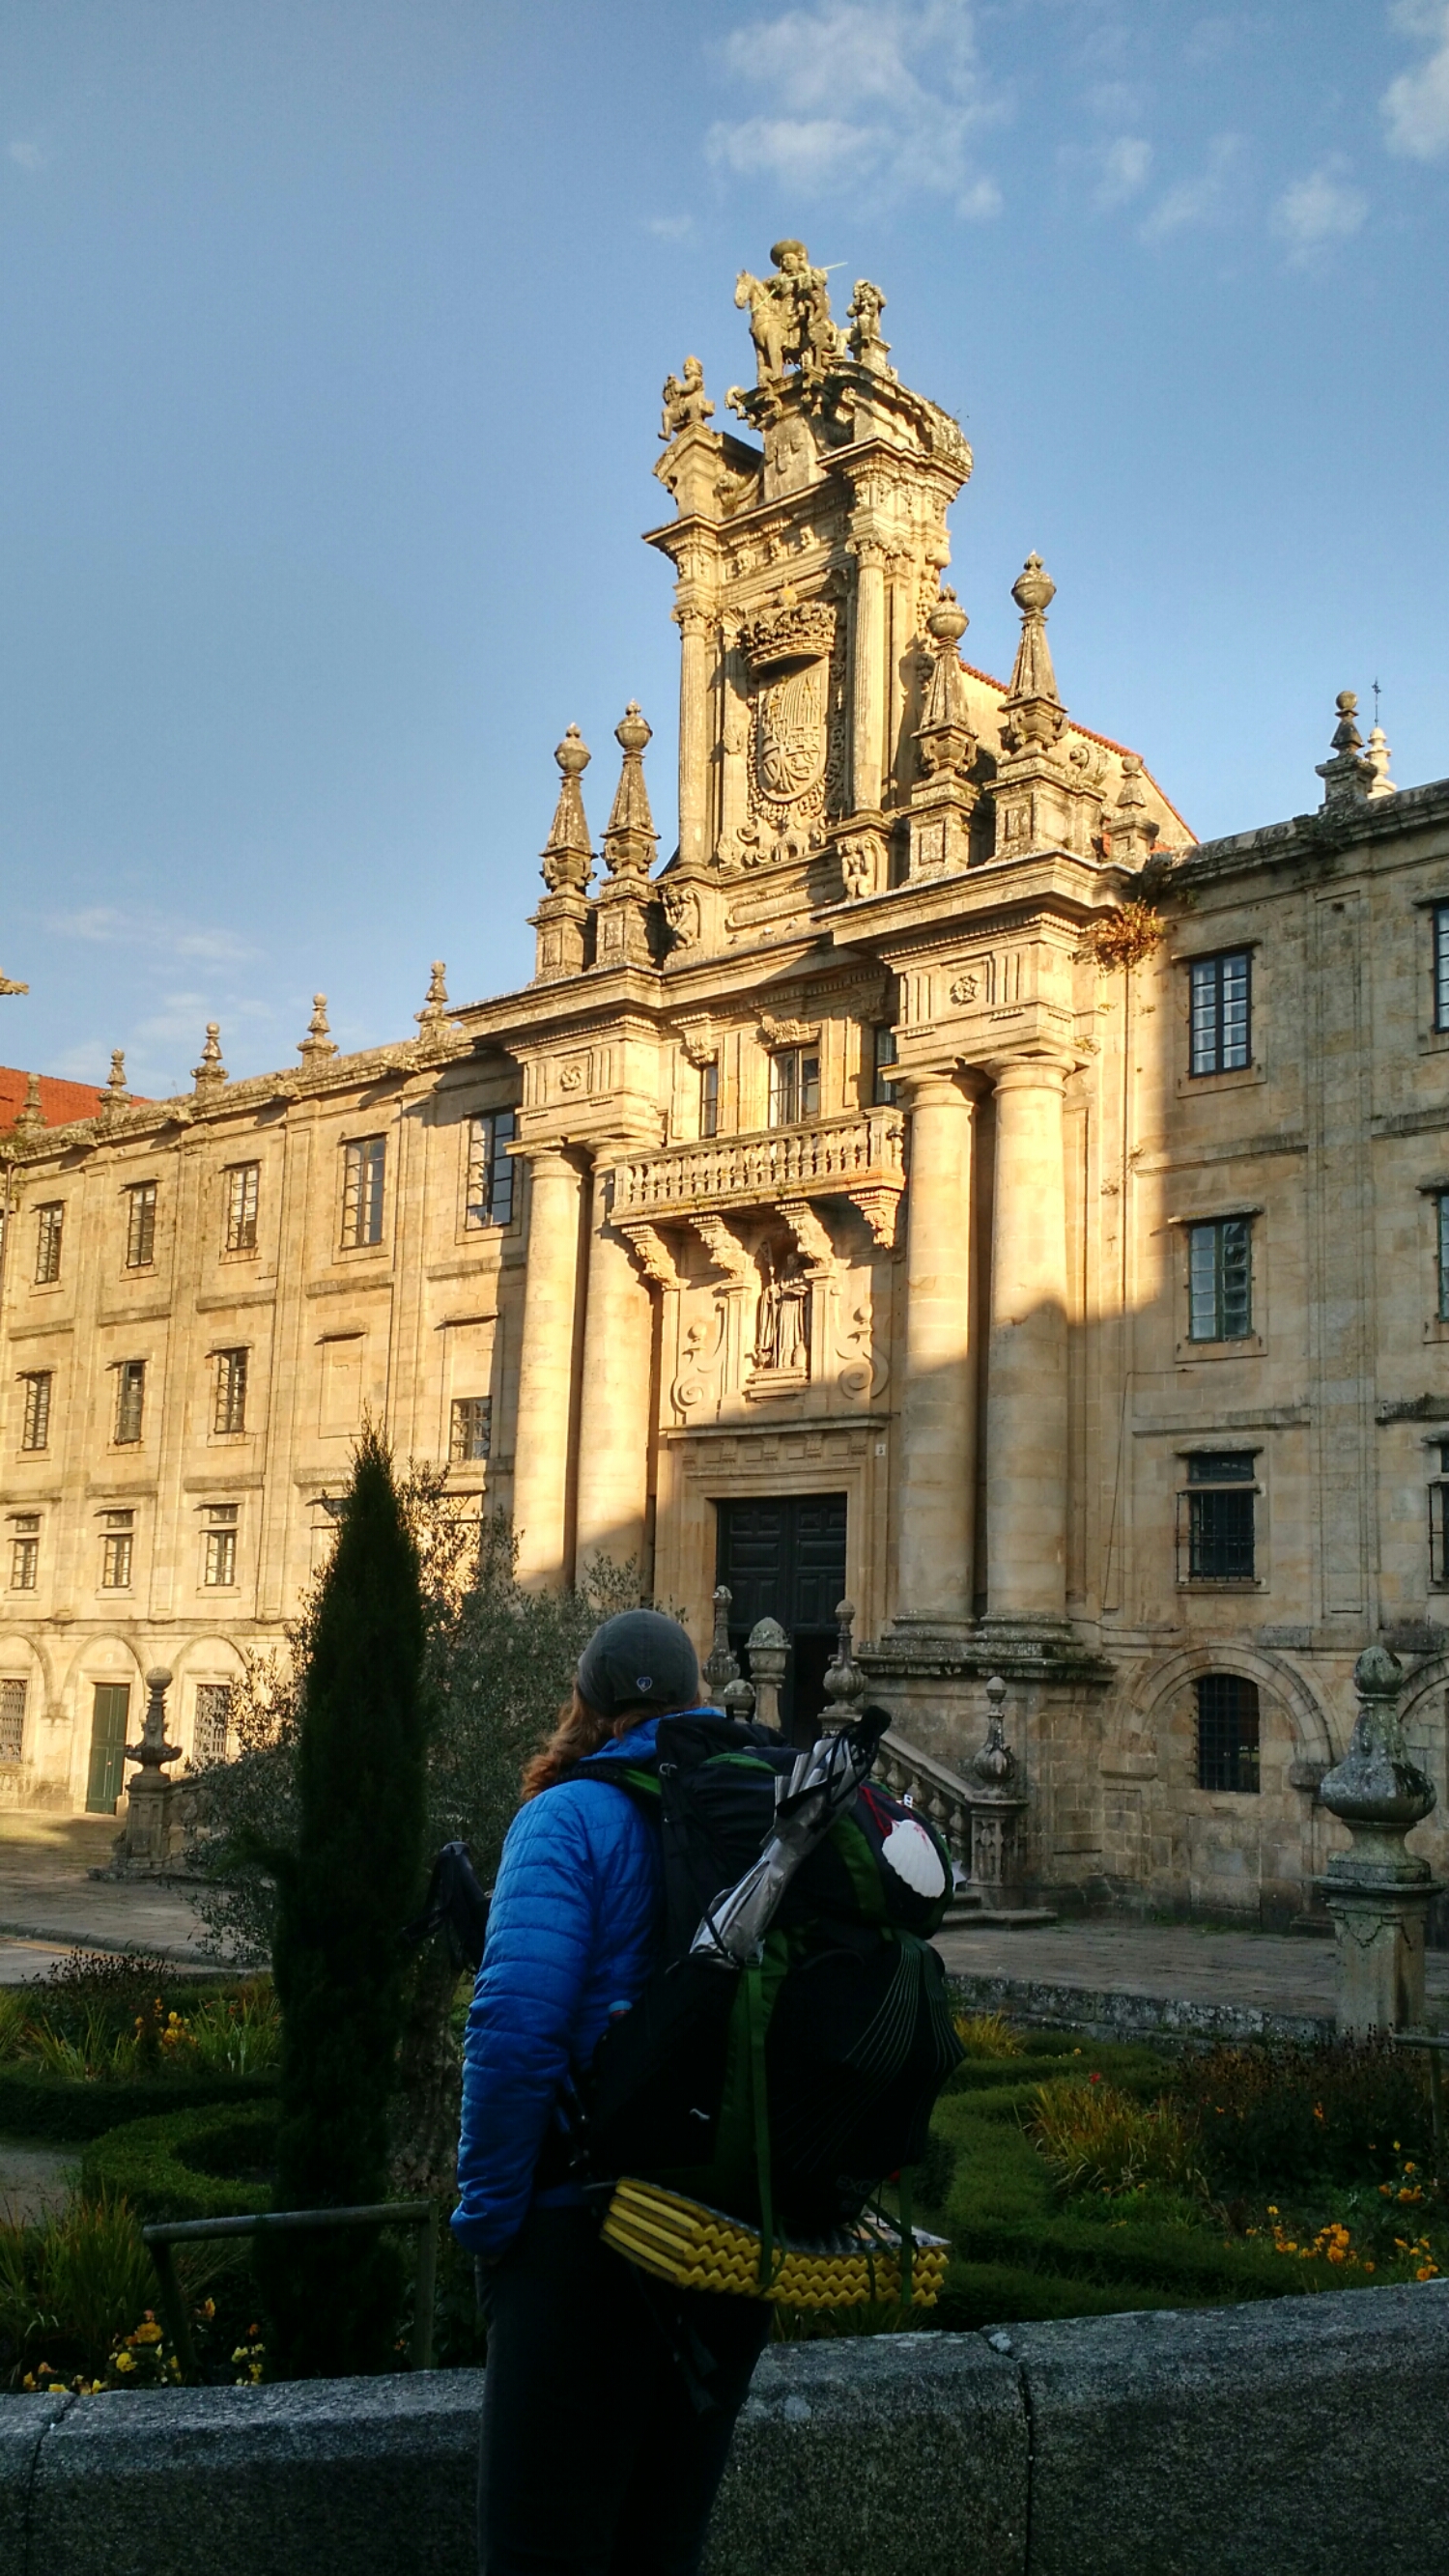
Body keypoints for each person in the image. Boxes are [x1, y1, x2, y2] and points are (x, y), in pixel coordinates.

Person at [453, 1609, 772, 2576]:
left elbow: (515, 2030)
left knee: (539, 2553)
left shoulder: (566, 1817)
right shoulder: (765, 1811)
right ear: (697, 1698)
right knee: (660, 2552)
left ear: (584, 1704)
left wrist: (490, 2223)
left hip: (587, 2232)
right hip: (726, 2235)